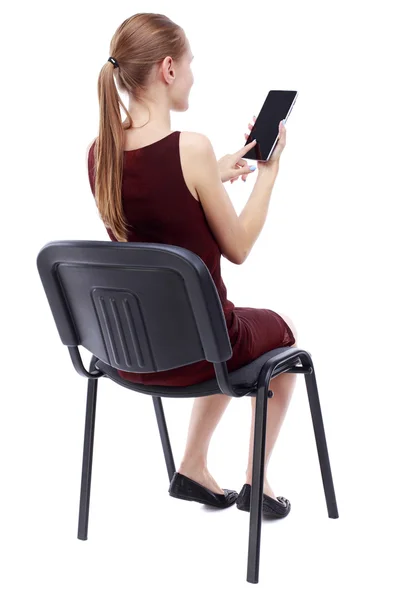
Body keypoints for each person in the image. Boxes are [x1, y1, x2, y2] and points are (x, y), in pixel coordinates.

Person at [87, 12, 298, 517]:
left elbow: (149, 230)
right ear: (167, 69)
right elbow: (239, 247)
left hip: (131, 354)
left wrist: (210, 176)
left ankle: (193, 467)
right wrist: (269, 172)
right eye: (190, 64)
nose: (193, 74)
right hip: (204, 351)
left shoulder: (100, 154)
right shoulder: (192, 148)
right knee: (283, 338)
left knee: (216, 330)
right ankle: (257, 482)